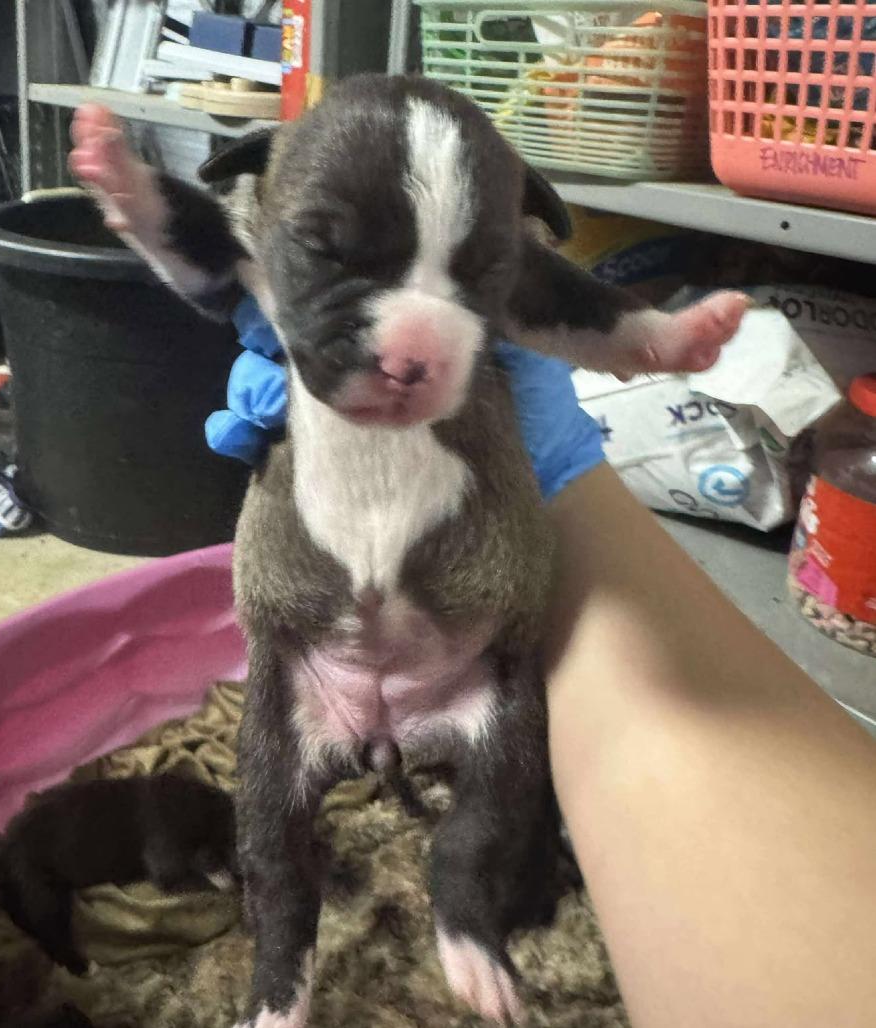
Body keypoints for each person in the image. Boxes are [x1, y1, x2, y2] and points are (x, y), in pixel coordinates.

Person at [206, 295, 876, 1028]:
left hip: (468, 649)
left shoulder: (493, 282)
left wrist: (630, 354)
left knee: (498, 789)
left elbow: (560, 297)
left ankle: (463, 907)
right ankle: (279, 986)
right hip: (316, 658)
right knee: (270, 829)